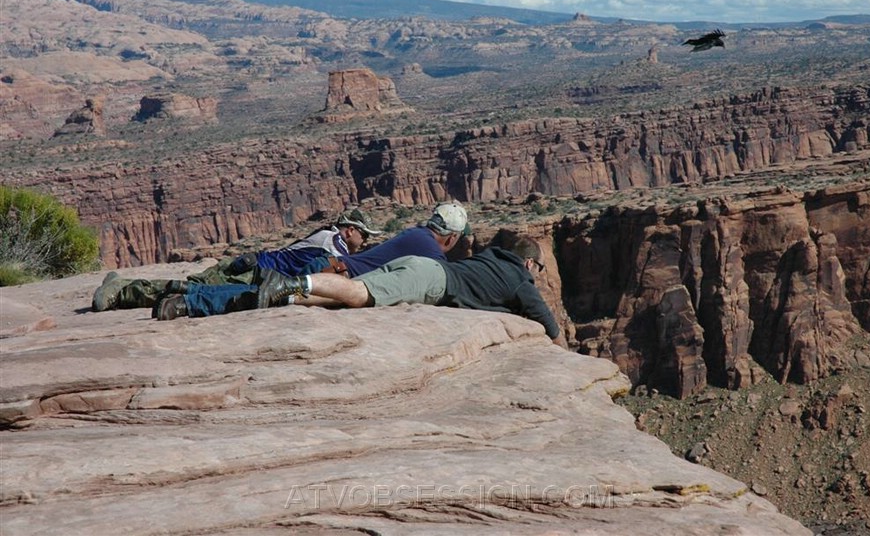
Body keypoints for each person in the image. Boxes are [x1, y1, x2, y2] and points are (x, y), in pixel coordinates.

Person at [155, 201, 469, 320]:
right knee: (266, 300)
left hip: (331, 271)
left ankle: (187, 297)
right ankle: (188, 303)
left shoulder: (417, 234)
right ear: (452, 237)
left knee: (265, 297)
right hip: (335, 278)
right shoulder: (430, 251)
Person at [256, 235, 568, 349]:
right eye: (538, 269)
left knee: (346, 300)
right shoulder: (519, 279)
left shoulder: (492, 259)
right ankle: (288, 283)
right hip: (429, 281)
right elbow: (549, 326)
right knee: (359, 293)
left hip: (422, 269)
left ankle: (287, 297)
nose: (537, 275)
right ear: (529, 262)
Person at [91, 207, 381, 312]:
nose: (365, 241)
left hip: (255, 269)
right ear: (350, 229)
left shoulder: (332, 240)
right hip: (252, 272)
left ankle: (125, 291)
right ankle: (121, 288)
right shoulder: (333, 244)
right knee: (189, 286)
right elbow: (322, 273)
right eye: (364, 235)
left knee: (190, 286)